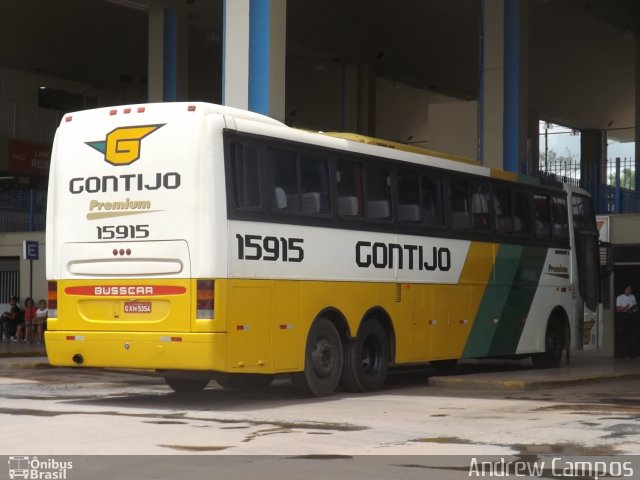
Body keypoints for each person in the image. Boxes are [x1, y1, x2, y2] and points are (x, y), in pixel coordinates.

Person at [615, 285, 638, 359]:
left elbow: (635, 306)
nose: (629, 291)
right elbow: (618, 309)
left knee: (632, 335)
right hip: (623, 316)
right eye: (628, 289)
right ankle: (624, 354)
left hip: (631, 316)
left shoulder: (632, 296)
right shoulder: (620, 297)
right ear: (624, 290)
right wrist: (626, 307)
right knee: (624, 335)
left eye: (630, 289)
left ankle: (633, 354)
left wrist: (632, 308)